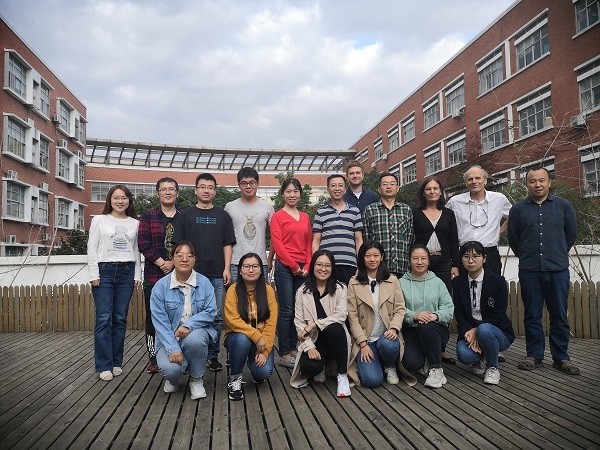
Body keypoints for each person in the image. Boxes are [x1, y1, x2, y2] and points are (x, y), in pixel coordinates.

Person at [508, 167, 579, 375]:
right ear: (526, 184)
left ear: (549, 182)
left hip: (558, 269)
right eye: (532, 181)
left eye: (541, 180)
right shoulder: (517, 210)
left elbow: (570, 235)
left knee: (559, 315)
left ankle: (561, 357)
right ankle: (534, 355)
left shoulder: (564, 206)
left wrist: (556, 254)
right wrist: (527, 256)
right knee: (532, 314)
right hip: (530, 270)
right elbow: (513, 239)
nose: (537, 184)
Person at [172, 173, 236, 373]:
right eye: (202, 187)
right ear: (196, 190)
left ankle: (212, 356)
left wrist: (226, 268)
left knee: (216, 316)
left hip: (216, 273)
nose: (206, 190)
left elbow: (227, 244)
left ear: (215, 191)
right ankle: (189, 353)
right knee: (189, 314)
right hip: (190, 275)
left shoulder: (223, 216)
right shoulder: (185, 215)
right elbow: (178, 246)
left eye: (210, 187)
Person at [88, 185, 142, 381]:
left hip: (127, 272)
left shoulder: (135, 223)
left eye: (124, 198)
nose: (120, 201)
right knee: (104, 318)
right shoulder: (99, 220)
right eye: (116, 198)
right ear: (110, 200)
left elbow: (136, 250)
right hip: (104, 271)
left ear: (129, 201)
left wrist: (138, 275)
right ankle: (104, 365)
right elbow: (92, 248)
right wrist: (94, 274)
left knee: (120, 318)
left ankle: (116, 362)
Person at [150, 241, 217, 400]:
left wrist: (189, 325)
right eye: (179, 255)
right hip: (168, 338)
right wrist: (173, 348)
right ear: (172, 258)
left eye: (189, 256)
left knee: (195, 340)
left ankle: (196, 378)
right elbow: (160, 323)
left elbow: (210, 311)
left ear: (195, 259)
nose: (184, 259)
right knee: (171, 370)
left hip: (195, 334)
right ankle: (174, 377)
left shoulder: (204, 283)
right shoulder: (160, 287)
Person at [347, 241, 415, 388]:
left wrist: (394, 328)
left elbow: (400, 308)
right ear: (362, 258)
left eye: (376, 255)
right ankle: (373, 363)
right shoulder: (354, 283)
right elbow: (352, 317)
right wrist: (363, 343)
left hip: (386, 337)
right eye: (368, 256)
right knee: (372, 380)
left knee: (388, 346)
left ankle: (390, 365)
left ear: (382, 257)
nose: (372, 259)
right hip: (366, 340)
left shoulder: (392, 280)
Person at [290, 250, 352, 397]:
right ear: (313, 266)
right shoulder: (302, 291)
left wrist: (314, 325)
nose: (323, 269)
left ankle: (342, 375)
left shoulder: (340, 288)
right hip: (314, 340)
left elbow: (341, 315)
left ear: (332, 268)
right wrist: (309, 347)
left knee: (335, 328)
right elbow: (299, 323)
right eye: (319, 265)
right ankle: (321, 366)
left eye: (327, 266)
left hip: (335, 340)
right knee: (309, 367)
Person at [413, 176, 460, 365]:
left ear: (440, 192)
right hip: (422, 263)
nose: (432, 192)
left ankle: (441, 349)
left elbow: (454, 241)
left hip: (443, 264)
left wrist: (455, 265)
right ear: (423, 193)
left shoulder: (448, 214)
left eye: (435, 188)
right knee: (421, 302)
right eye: (428, 189)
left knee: (442, 304)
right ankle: (422, 347)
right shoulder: (415, 213)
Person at [452, 241, 514, 385]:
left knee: (484, 329)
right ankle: (481, 358)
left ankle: (493, 367)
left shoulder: (498, 282)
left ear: (484, 258)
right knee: (464, 355)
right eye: (466, 256)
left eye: (476, 256)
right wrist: (468, 332)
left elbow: (498, 314)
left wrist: (477, 329)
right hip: (470, 330)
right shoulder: (458, 283)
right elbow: (459, 313)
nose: (471, 260)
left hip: (496, 331)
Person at [138, 177, 181, 374]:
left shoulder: (184, 216)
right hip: (153, 276)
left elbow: (187, 243)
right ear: (158, 193)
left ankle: (177, 353)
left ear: (177, 193)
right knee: (153, 318)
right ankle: (153, 358)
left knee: (178, 316)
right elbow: (143, 243)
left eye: (171, 189)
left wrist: (173, 262)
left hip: (179, 275)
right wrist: (161, 262)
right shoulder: (148, 216)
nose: (168, 192)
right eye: (163, 189)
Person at [223, 253, 278, 401]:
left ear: (261, 270)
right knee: (242, 340)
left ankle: (247, 357)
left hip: (261, 342)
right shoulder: (233, 290)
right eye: (246, 266)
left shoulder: (268, 291)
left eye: (255, 266)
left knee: (262, 374)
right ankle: (235, 379)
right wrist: (256, 336)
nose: (251, 270)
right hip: (237, 337)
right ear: (240, 270)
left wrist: (265, 351)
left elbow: (271, 323)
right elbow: (232, 320)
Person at [271, 178, 312, 368]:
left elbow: (309, 243)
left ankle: (294, 346)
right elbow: (277, 244)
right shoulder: (278, 216)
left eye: (295, 191)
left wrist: (307, 266)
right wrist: (294, 266)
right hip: (285, 268)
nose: (292, 195)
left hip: (303, 269)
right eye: (288, 191)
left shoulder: (305, 217)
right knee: (286, 309)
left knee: (298, 310)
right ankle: (284, 352)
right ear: (283, 194)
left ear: (300, 194)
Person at [400, 244, 454, 389]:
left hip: (435, 330)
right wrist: (414, 315)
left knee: (427, 326)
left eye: (423, 258)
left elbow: (449, 308)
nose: (419, 262)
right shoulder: (401, 283)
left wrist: (435, 316)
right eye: (415, 258)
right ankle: (424, 360)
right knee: (411, 364)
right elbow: (397, 308)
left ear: (429, 261)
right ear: (409, 260)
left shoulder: (437, 282)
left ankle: (436, 368)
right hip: (411, 329)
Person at [446, 165, 512, 276]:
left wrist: (500, 231)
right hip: (465, 254)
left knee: (492, 285)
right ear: (466, 183)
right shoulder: (455, 201)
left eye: (477, 178)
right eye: (470, 179)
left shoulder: (499, 199)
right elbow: (443, 219)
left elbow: (514, 215)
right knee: (464, 286)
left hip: (489, 254)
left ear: (485, 180)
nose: (474, 181)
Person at [225, 167, 275, 284]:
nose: (248, 186)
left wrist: (269, 259)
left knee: (261, 295)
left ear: (257, 184)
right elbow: (225, 238)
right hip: (235, 263)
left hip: (260, 262)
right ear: (239, 185)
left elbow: (274, 235)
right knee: (235, 294)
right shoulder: (229, 207)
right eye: (244, 183)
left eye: (252, 183)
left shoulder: (267, 207)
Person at [312, 174, 363, 286]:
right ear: (328, 189)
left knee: (349, 296)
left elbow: (359, 240)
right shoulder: (321, 212)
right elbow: (316, 241)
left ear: (345, 189)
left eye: (340, 185)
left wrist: (360, 265)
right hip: (327, 265)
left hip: (349, 264)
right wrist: (315, 264)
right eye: (333, 185)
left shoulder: (355, 211)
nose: (337, 188)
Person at [363, 172, 414, 278]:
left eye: (392, 184)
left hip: (402, 266)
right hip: (377, 267)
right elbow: (367, 240)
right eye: (385, 184)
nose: (389, 186)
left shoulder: (406, 210)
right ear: (379, 189)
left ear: (398, 188)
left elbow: (410, 239)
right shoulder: (370, 210)